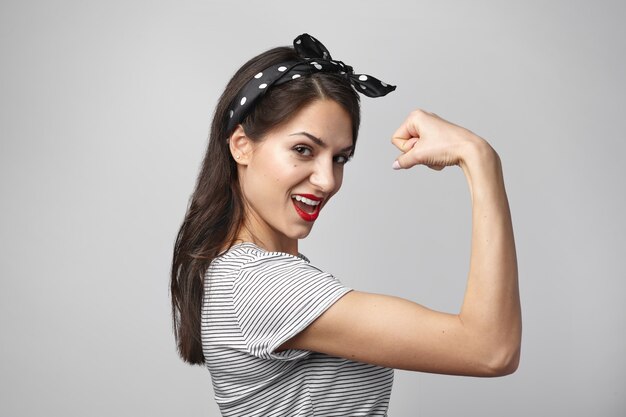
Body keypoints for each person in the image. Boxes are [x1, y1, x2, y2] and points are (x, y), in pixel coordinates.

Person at [170, 33, 521, 417]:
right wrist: (480, 159)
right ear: (241, 145)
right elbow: (490, 349)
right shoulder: (259, 284)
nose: (326, 180)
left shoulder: (237, 273)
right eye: (303, 149)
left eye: (340, 158)